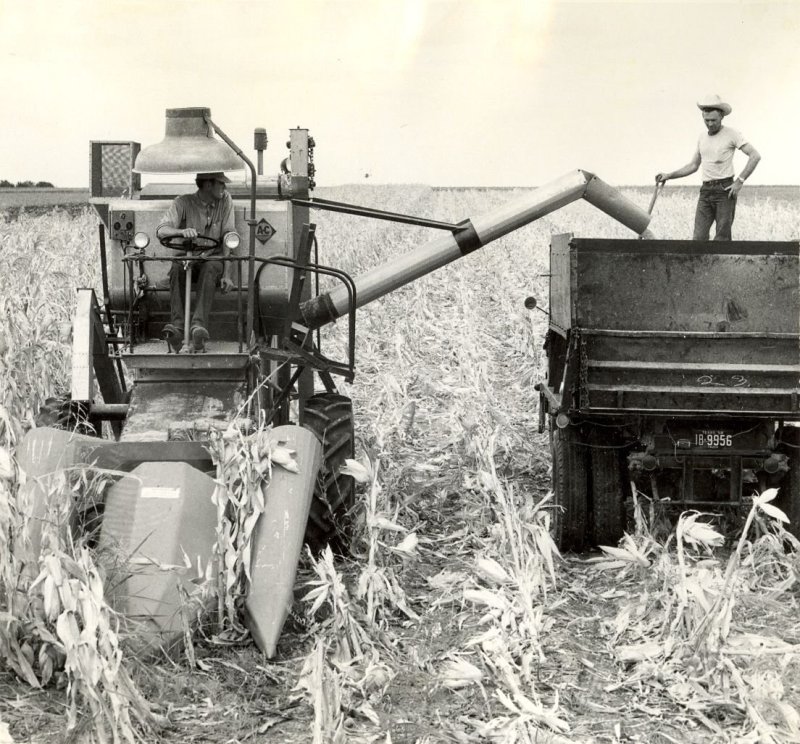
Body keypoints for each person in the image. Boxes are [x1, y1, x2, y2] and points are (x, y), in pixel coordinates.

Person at [655, 94, 761, 240]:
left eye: (714, 120)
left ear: (722, 116)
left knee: (722, 238)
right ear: (703, 117)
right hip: (705, 191)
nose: (710, 124)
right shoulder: (702, 137)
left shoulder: (732, 134)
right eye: (707, 120)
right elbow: (693, 165)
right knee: (698, 238)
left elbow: (755, 156)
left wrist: (740, 181)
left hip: (725, 191)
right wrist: (669, 175)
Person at [156, 172, 238, 351]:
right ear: (208, 185)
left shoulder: (225, 201)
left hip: (212, 258)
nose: (225, 188)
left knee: (211, 267)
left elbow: (229, 236)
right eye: (221, 184)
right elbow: (162, 230)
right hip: (188, 258)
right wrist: (181, 231)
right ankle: (177, 328)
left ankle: (198, 327)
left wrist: (227, 275)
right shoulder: (182, 203)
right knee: (177, 267)